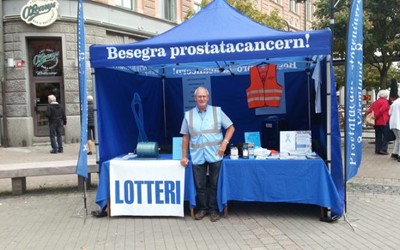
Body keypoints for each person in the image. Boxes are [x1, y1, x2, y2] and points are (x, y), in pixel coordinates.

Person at [180, 87, 235, 222]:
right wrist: (184, 156)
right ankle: (202, 209)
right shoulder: (189, 115)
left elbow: (231, 128)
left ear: (208, 98)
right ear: (195, 98)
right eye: (199, 96)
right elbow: (185, 137)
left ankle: (214, 209)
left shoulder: (217, 111)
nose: (202, 99)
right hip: (198, 155)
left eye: (204, 96)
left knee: (214, 183)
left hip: (215, 154)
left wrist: (224, 144)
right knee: (200, 185)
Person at [366, 89, 390, 155]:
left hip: (376, 122)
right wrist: (376, 116)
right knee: (386, 136)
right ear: (386, 95)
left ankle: (377, 149)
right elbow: (381, 111)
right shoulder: (385, 102)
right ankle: (383, 149)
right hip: (383, 121)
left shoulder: (375, 102)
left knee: (378, 136)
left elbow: (369, 111)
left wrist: (373, 117)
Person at [389, 90, 400, 161]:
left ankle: (395, 153)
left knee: (398, 138)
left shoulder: (395, 102)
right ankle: (399, 154)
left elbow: (389, 112)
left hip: (393, 122)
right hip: (398, 122)